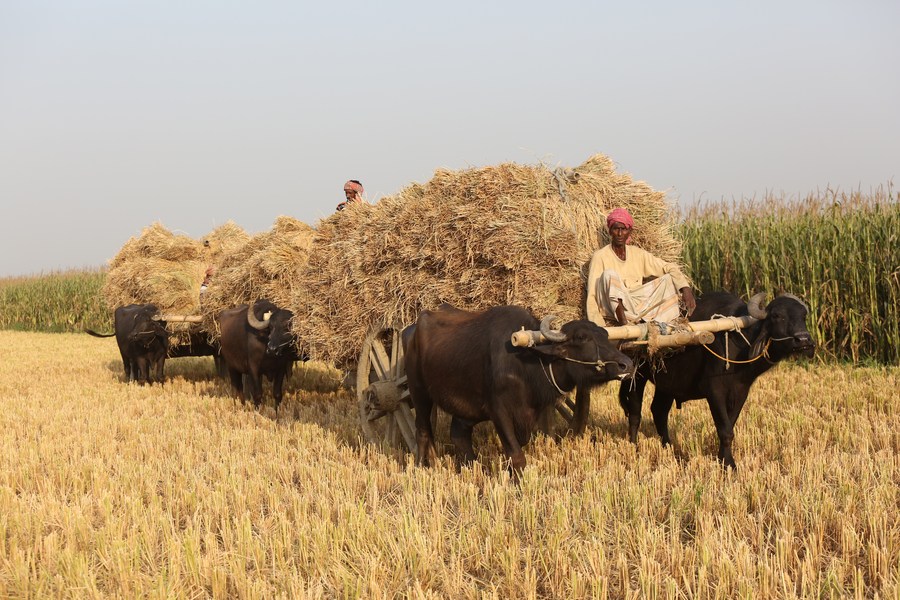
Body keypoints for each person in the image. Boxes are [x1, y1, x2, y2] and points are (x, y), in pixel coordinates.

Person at [586, 208, 696, 327]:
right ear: (610, 231)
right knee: (609, 274)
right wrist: (597, 326)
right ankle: (626, 325)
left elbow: (668, 267)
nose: (619, 233)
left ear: (629, 231)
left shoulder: (638, 254)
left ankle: (661, 324)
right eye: (616, 229)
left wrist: (685, 289)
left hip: (634, 305)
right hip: (611, 309)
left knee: (668, 279)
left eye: (623, 229)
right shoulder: (600, 257)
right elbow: (592, 295)